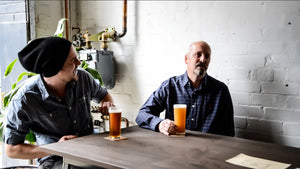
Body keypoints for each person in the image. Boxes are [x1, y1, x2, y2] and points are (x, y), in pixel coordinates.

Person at [4, 37, 114, 168]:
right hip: (55, 158)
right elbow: (12, 149)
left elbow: (104, 96)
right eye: (73, 60)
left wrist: (107, 103)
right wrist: (55, 148)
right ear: (54, 69)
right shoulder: (24, 100)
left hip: (90, 148)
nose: (79, 62)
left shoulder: (83, 78)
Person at [136, 41, 234, 137]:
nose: (203, 59)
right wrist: (160, 124)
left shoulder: (221, 91)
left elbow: (228, 132)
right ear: (186, 59)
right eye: (198, 55)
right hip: (174, 148)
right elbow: (142, 115)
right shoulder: (170, 86)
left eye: (207, 56)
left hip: (209, 149)